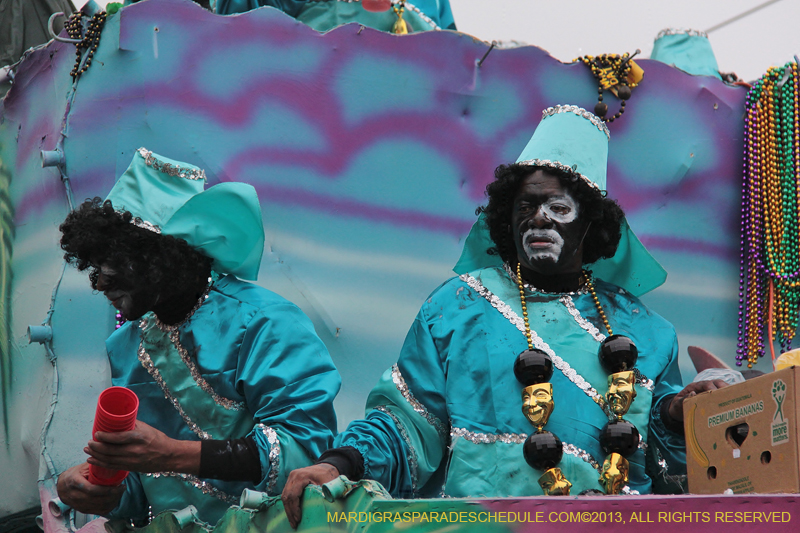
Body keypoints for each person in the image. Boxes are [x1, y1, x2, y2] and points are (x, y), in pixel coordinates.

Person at [281, 104, 727, 527]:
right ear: (505, 219)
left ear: (590, 223)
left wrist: (679, 414)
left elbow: (671, 470)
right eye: (525, 207)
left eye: (558, 209)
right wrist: (337, 464)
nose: (539, 221)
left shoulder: (644, 331)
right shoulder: (458, 307)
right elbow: (407, 426)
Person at [55, 148, 341, 524]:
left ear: (162, 255)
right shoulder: (125, 345)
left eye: (115, 260)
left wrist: (170, 453)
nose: (100, 281)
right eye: (95, 263)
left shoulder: (265, 322)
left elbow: (305, 450)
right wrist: (100, 491)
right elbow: (150, 492)